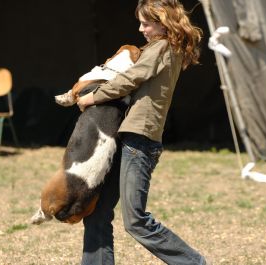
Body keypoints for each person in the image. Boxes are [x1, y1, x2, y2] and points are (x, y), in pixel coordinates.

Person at [77, 0, 207, 264]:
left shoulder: (162, 47)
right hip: (127, 138)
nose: (141, 29)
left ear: (163, 22)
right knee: (98, 212)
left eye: (146, 23)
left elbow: (130, 79)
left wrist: (94, 97)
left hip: (140, 142)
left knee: (136, 221)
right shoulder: (162, 48)